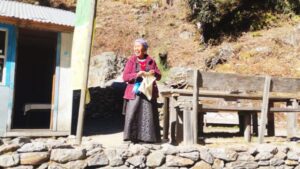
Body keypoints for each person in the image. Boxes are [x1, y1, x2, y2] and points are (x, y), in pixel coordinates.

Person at [122, 38, 161, 143]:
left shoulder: (151, 61)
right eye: (135, 47)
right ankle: (131, 138)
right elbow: (125, 77)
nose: (136, 49)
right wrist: (136, 74)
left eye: (138, 46)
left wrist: (154, 73)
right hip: (135, 91)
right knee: (132, 113)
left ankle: (147, 138)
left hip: (148, 91)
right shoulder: (131, 61)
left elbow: (159, 75)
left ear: (144, 49)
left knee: (148, 115)